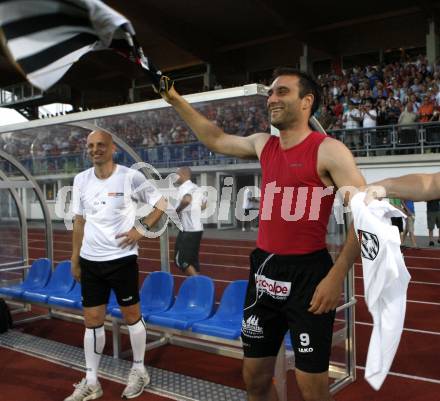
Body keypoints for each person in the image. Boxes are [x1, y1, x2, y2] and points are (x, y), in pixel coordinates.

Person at [157, 68, 365, 401]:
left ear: (306, 101)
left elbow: (365, 217)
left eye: (282, 92)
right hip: (264, 270)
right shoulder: (263, 144)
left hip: (309, 275)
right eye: (270, 92)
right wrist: (176, 101)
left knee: (312, 388)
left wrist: (335, 277)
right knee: (254, 378)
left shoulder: (329, 151)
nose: (271, 98)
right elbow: (215, 138)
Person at [67, 130, 167, 401]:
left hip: (121, 260)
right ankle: (91, 381)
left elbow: (161, 203)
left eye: (101, 145)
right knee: (92, 321)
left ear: (113, 149)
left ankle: (138, 370)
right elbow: (79, 221)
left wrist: (141, 229)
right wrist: (75, 259)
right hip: (90, 261)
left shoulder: (129, 176)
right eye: (91, 146)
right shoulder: (80, 180)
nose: (95, 149)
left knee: (132, 315)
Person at [174, 166, 207, 276]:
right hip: (197, 229)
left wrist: (177, 211)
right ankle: (195, 286)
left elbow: (187, 200)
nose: (175, 177)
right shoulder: (196, 187)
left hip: (189, 230)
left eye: (176, 174)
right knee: (191, 261)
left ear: (183, 174)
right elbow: (204, 204)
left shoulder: (183, 188)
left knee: (182, 261)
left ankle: (197, 286)